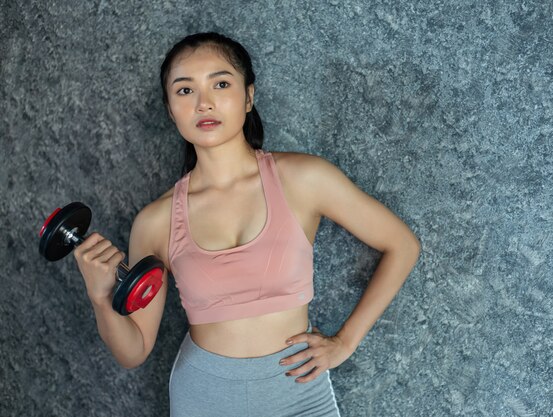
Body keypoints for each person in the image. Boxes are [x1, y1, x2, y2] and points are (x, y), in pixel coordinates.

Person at [73, 32, 421, 417]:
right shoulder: (154, 222)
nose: (204, 103)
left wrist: (345, 342)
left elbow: (402, 245)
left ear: (248, 96)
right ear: (171, 110)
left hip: (298, 392)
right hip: (203, 396)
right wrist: (101, 298)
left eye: (221, 84)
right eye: (185, 91)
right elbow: (133, 350)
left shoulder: (304, 179)